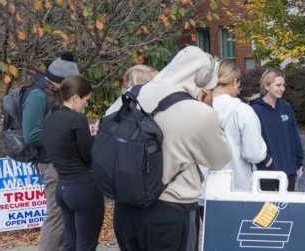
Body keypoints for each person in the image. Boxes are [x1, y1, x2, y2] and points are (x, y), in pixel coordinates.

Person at [106, 46, 232, 250]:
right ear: (203, 78)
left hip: (125, 207)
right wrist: (209, 109)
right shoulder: (199, 112)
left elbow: (106, 132)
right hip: (170, 211)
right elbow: (219, 159)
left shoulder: (131, 95)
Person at [198, 59, 269, 236]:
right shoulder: (243, 111)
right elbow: (254, 154)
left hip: (204, 189)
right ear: (234, 81)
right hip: (237, 188)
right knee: (238, 240)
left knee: (212, 240)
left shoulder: (197, 108)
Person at [23, 52, 81, 251]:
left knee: (66, 215)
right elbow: (31, 135)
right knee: (56, 215)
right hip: (50, 163)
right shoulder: (38, 95)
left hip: (61, 162)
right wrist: (64, 137)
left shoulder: (52, 93)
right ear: (60, 81)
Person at [42, 76, 102, 251]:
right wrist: (97, 136)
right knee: (86, 244)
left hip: (62, 188)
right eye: (86, 99)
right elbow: (87, 155)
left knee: (70, 242)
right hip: (83, 188)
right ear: (76, 97)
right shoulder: (77, 119)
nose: (86, 104)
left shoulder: (49, 117)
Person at [250, 69, 304, 192]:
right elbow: (252, 140)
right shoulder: (255, 110)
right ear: (267, 86)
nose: (282, 88)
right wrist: (266, 160)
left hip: (288, 170)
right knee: (268, 210)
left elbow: (294, 135)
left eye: (283, 85)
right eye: (278, 85)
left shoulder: (286, 107)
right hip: (266, 172)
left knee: (286, 209)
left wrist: (299, 162)